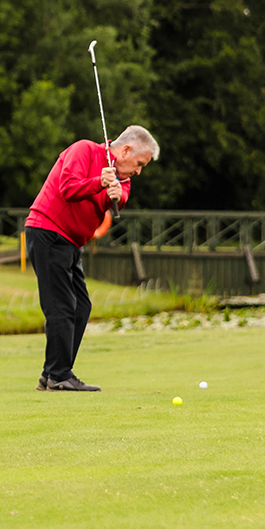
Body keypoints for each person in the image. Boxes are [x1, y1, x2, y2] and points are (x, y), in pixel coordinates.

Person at [24, 126, 160, 392]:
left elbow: (120, 200)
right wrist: (98, 181)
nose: (139, 170)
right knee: (61, 306)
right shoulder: (83, 150)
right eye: (139, 164)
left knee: (80, 307)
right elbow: (67, 189)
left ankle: (52, 373)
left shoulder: (123, 178)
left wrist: (116, 196)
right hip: (48, 231)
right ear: (126, 150)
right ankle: (59, 376)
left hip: (71, 242)